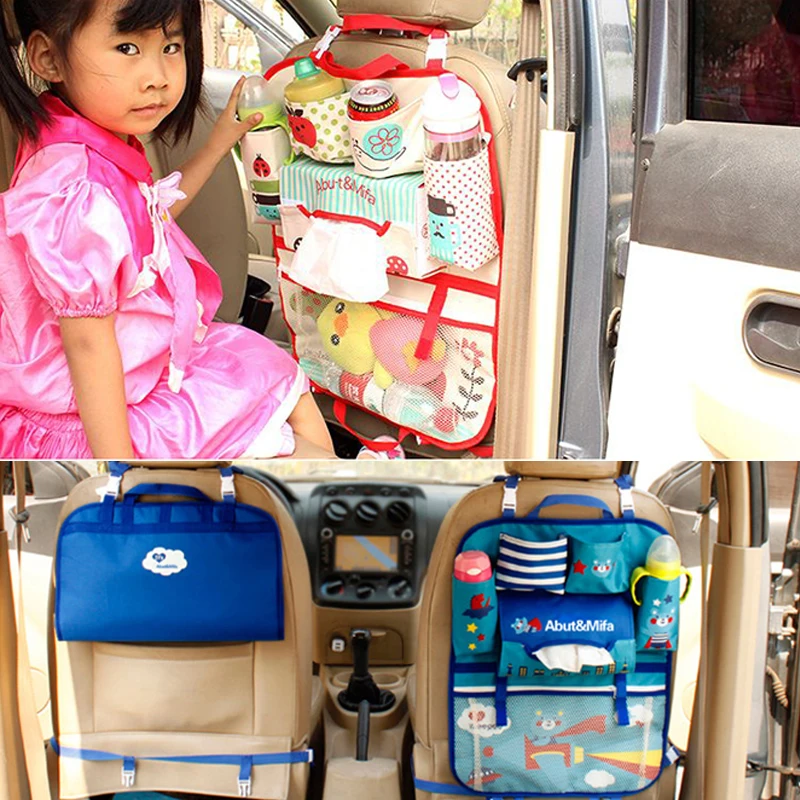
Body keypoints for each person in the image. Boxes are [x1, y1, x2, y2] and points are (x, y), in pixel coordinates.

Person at [0, 0, 336, 458]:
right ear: (48, 58)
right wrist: (120, 473)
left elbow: (148, 219)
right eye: (127, 48)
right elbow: (88, 345)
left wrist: (217, 144)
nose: (157, 76)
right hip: (92, 411)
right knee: (290, 425)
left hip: (138, 363)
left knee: (278, 374)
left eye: (171, 47)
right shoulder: (74, 187)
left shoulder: (78, 138)